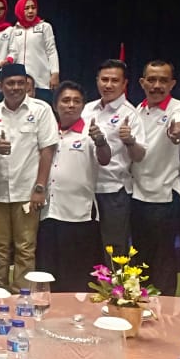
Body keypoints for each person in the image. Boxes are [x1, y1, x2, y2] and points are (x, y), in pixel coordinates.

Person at [0, 63, 58, 291]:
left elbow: (47, 150)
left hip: (27, 191)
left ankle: (22, 294)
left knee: (25, 248)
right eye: (10, 83)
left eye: (20, 83)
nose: (16, 87)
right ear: (0, 86)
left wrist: (40, 187)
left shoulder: (41, 110)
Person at [36, 81, 111, 291]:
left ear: (83, 106)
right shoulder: (47, 131)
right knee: (50, 275)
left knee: (78, 277)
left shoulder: (91, 131)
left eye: (76, 101)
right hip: (49, 213)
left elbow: (105, 158)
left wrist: (101, 141)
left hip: (80, 215)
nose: (71, 105)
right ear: (55, 105)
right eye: (66, 100)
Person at [130, 60, 180, 295]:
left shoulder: (178, 108)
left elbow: (179, 126)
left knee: (164, 263)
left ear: (172, 84)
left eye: (163, 80)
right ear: (142, 82)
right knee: (139, 261)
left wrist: (176, 132)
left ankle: (165, 313)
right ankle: (138, 307)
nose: (156, 85)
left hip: (165, 198)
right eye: (151, 80)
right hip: (137, 196)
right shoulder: (136, 110)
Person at [82, 59, 147, 257]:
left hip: (113, 191)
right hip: (85, 189)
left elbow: (139, 156)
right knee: (86, 249)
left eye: (114, 80)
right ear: (97, 80)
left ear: (124, 83)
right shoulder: (87, 109)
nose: (108, 85)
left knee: (114, 250)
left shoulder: (130, 114)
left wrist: (129, 141)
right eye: (104, 80)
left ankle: (115, 280)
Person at [9, 0, 59, 104]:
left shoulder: (45, 27)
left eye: (33, 7)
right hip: (20, 83)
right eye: (26, 8)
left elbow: (51, 51)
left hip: (41, 81)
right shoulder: (13, 30)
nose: (31, 11)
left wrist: (55, 73)